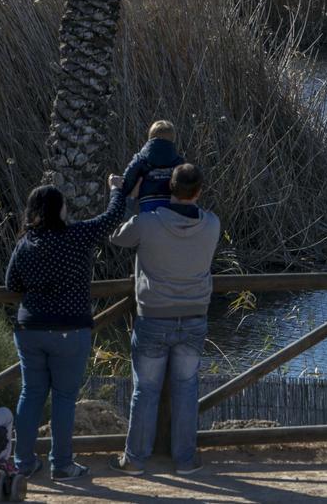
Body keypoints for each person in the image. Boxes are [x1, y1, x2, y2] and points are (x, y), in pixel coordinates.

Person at [5, 175, 126, 481]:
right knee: (63, 398)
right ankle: (61, 464)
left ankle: (22, 463)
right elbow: (112, 217)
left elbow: (12, 284)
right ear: (60, 209)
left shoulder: (25, 244)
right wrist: (116, 189)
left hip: (30, 328)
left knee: (30, 395)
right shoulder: (78, 235)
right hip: (70, 330)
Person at [107, 164, 221, 477]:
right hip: (194, 317)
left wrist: (130, 198)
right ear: (198, 191)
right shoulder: (211, 224)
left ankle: (135, 460)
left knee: (145, 390)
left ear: (169, 189)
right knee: (186, 389)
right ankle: (185, 460)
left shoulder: (148, 223)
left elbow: (117, 236)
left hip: (153, 317)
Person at [122, 120, 185, 212]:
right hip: (171, 205)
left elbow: (128, 178)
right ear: (173, 139)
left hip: (146, 203)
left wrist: (126, 192)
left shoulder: (141, 159)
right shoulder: (178, 162)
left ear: (150, 137)